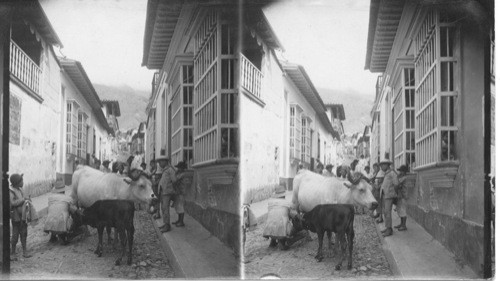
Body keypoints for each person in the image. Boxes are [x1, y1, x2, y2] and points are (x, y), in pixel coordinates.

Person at [262, 185, 304, 250]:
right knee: (298, 231)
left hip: (268, 230)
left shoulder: (270, 203)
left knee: (276, 220)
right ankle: (283, 243)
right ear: (284, 195)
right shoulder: (287, 203)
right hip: (281, 231)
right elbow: (295, 215)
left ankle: (273, 241)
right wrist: (301, 219)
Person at [44, 179, 78, 244]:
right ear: (64, 190)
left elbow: (49, 210)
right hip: (61, 225)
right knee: (69, 213)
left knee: (55, 213)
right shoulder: (68, 198)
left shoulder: (50, 198)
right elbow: (74, 209)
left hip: (49, 225)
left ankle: (53, 236)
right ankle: (63, 236)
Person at [9, 173, 33, 259]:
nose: (23, 182)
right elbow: (12, 203)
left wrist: (27, 200)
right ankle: (12, 253)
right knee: (15, 235)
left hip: (23, 216)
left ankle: (25, 251)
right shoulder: (11, 191)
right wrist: (24, 199)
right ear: (16, 182)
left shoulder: (20, 189)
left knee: (24, 233)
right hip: (16, 217)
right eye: (21, 181)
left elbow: (24, 198)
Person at [157, 155, 177, 232]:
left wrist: (171, 188)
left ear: (165, 161)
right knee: (163, 208)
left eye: (160, 162)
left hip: (167, 192)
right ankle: (165, 223)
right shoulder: (164, 170)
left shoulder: (170, 170)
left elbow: (174, 180)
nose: (159, 163)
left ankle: (167, 225)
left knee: (165, 208)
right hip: (163, 192)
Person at [379, 158, 399, 237]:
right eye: (381, 165)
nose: (381, 167)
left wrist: (394, 193)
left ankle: (389, 230)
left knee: (387, 212)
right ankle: (387, 227)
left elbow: (396, 184)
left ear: (387, 165)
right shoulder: (386, 173)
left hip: (389, 195)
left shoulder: (392, 173)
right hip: (384, 195)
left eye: (383, 165)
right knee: (385, 212)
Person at [172, 161, 188, 227]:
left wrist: (175, 173)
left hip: (181, 192)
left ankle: (181, 222)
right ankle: (179, 220)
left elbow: (175, 180)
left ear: (182, 168)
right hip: (179, 192)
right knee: (178, 207)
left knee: (180, 207)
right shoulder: (180, 173)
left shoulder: (182, 174)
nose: (178, 169)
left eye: (179, 168)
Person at [395, 165, 410, 231]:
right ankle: (401, 224)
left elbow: (397, 183)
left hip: (404, 196)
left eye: (401, 171)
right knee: (400, 210)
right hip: (401, 195)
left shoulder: (404, 178)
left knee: (403, 210)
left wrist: (397, 176)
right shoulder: (403, 177)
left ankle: (404, 225)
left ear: (403, 172)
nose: (399, 172)